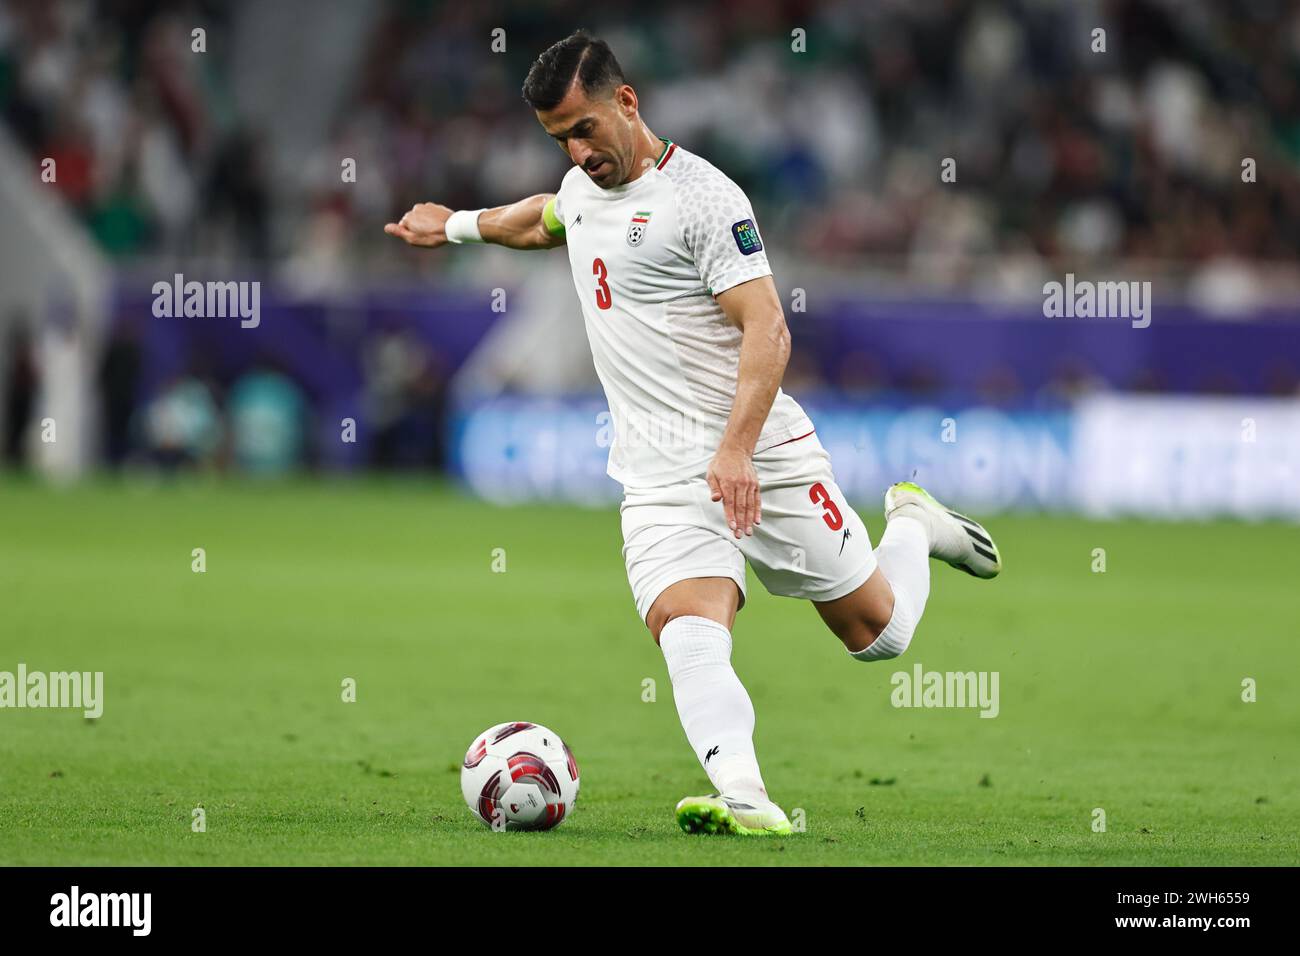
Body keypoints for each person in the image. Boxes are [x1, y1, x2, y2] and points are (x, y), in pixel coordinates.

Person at [385, 31, 1002, 836]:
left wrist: (737, 448)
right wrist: (458, 225)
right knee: (689, 626)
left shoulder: (706, 200)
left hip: (760, 452)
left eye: (583, 129)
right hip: (658, 475)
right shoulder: (581, 189)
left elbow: (769, 330)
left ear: (627, 101)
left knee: (879, 634)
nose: (576, 151)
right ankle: (747, 797)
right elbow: (544, 220)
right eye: (559, 139)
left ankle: (915, 524)